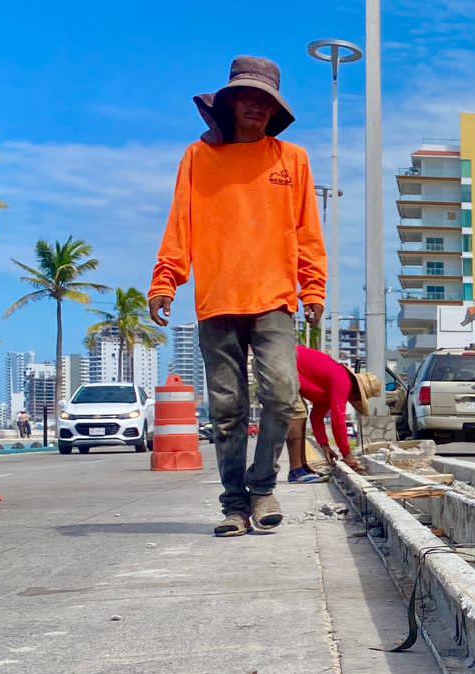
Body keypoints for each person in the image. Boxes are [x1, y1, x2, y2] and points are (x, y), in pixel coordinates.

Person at [146, 56, 327, 537]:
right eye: (248, 97)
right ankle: (234, 504)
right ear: (229, 102)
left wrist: (314, 288)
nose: (257, 107)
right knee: (227, 410)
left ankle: (262, 484)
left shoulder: (293, 160)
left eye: (266, 101)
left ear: (275, 110)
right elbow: (179, 224)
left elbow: (308, 232)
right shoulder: (198, 158)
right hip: (218, 302)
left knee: (283, 394)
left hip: (274, 300)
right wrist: (166, 280)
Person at [291, 345, 379, 479]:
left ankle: (303, 467)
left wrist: (324, 445)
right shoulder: (343, 381)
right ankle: (296, 471)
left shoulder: (329, 391)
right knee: (298, 414)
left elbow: (316, 417)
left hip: (290, 369)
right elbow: (338, 419)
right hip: (284, 362)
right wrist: (347, 454)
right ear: (357, 392)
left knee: (301, 413)